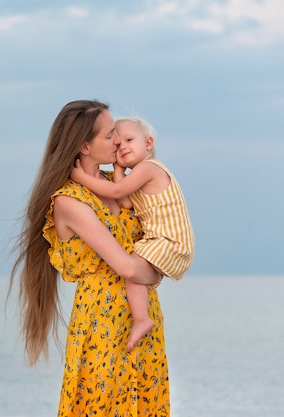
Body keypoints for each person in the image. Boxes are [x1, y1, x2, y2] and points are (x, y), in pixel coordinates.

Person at [10, 100, 170, 416]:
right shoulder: (69, 201)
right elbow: (125, 265)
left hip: (144, 315)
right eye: (110, 134)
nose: (119, 140)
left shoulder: (118, 184)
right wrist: (159, 271)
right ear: (84, 145)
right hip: (102, 323)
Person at [71, 117, 195, 351]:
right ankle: (142, 318)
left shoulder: (149, 168)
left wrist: (81, 178)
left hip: (169, 240)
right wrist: (118, 169)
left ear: (148, 143)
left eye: (129, 140)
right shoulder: (136, 176)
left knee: (130, 266)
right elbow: (126, 202)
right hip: (163, 241)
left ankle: (141, 319)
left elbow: (117, 191)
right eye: (117, 145)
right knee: (133, 268)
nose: (123, 147)